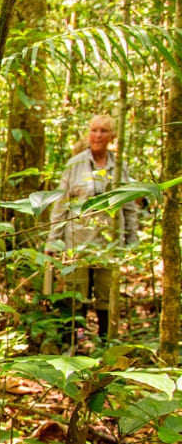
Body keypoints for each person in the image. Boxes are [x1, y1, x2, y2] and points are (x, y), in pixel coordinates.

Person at [47, 114, 139, 346]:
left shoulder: (119, 167)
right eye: (94, 130)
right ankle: (73, 341)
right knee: (76, 293)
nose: (98, 135)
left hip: (109, 243)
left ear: (112, 136)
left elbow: (129, 207)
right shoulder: (75, 164)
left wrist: (132, 240)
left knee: (106, 294)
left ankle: (105, 342)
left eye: (103, 131)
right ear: (88, 134)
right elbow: (61, 205)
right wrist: (52, 241)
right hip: (76, 242)